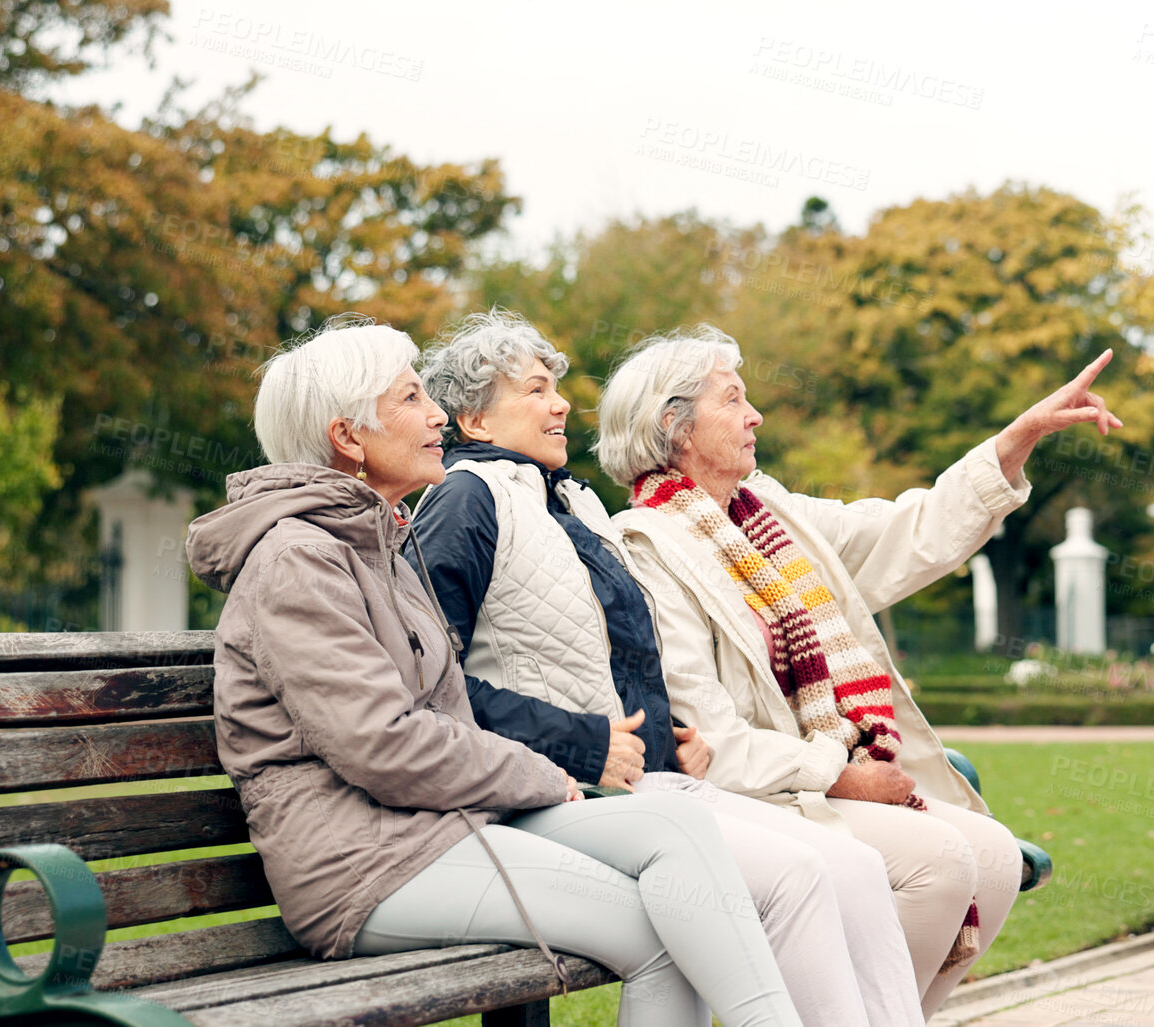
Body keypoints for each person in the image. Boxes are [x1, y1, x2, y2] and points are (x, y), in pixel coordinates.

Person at [185, 315, 802, 1027]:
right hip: (364, 866)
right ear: (348, 437)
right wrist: (542, 773)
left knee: (677, 827)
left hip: (437, 826)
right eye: (411, 398)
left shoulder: (376, 541)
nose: (437, 415)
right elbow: (380, 743)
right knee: (666, 938)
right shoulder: (299, 559)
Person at [409, 310, 924, 1027]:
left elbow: (596, 653)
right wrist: (584, 741)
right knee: (795, 878)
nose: (559, 403)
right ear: (476, 418)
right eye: (533, 389)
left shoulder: (570, 501)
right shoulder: (464, 500)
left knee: (856, 868)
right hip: (548, 794)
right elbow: (430, 682)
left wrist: (669, 731)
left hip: (649, 777)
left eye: (555, 385)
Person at [598, 324, 1123, 1015]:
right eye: (732, 399)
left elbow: (913, 529)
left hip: (828, 778)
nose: (755, 415)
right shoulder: (644, 547)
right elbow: (709, 734)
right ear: (676, 427)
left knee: (993, 859)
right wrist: (841, 774)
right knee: (939, 865)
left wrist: (1013, 441)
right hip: (761, 794)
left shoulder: (773, 516)